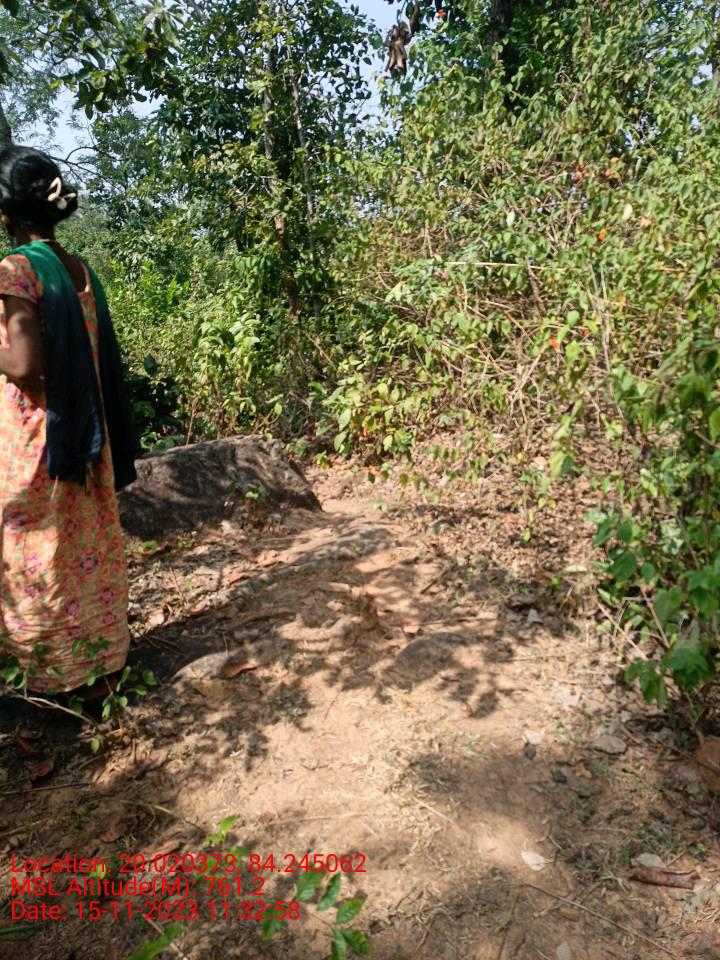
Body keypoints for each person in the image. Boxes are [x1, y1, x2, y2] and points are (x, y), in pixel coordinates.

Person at [0, 145, 140, 698]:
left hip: (40, 438)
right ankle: (101, 661)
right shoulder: (78, 268)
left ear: (6, 214)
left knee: (33, 547)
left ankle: (51, 673)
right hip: (86, 431)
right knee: (82, 545)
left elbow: (24, 365)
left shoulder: (17, 269)